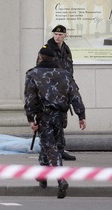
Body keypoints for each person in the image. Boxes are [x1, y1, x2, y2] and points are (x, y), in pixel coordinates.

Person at [24, 46, 86, 199]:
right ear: (54, 59)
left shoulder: (33, 74)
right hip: (60, 116)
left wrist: (31, 119)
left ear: (40, 58)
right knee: (49, 144)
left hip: (44, 116)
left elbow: (30, 99)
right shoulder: (64, 74)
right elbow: (75, 95)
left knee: (51, 147)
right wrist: (81, 115)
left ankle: (61, 180)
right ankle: (43, 176)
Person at [41, 25, 76, 161]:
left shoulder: (66, 50)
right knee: (50, 122)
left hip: (63, 91)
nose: (57, 37)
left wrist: (70, 87)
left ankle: (60, 150)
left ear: (65, 36)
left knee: (61, 121)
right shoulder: (47, 49)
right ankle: (49, 152)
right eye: (55, 34)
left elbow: (69, 70)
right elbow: (40, 71)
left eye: (60, 35)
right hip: (50, 91)